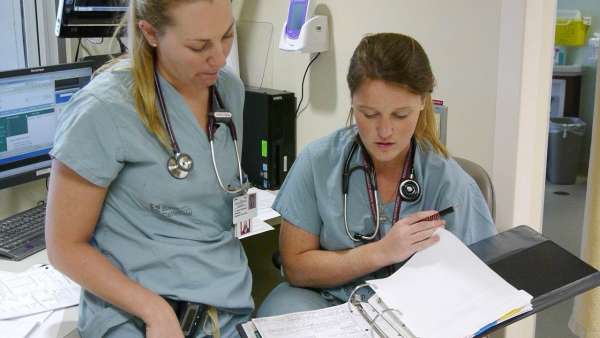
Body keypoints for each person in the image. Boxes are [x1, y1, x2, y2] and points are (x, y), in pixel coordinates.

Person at [45, 0, 252, 337]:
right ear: (151, 32)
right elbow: (64, 247)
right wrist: (153, 310)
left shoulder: (228, 91)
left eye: (227, 35)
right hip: (136, 318)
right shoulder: (103, 109)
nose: (219, 57)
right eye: (199, 46)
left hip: (225, 307)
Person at [257, 33, 497, 317]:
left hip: (416, 316)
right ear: (353, 102)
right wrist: (382, 252)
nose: (384, 131)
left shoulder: (450, 184)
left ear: (423, 102)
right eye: (369, 114)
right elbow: (296, 267)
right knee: (279, 312)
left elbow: (478, 290)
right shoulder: (317, 162)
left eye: (400, 115)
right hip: (329, 304)